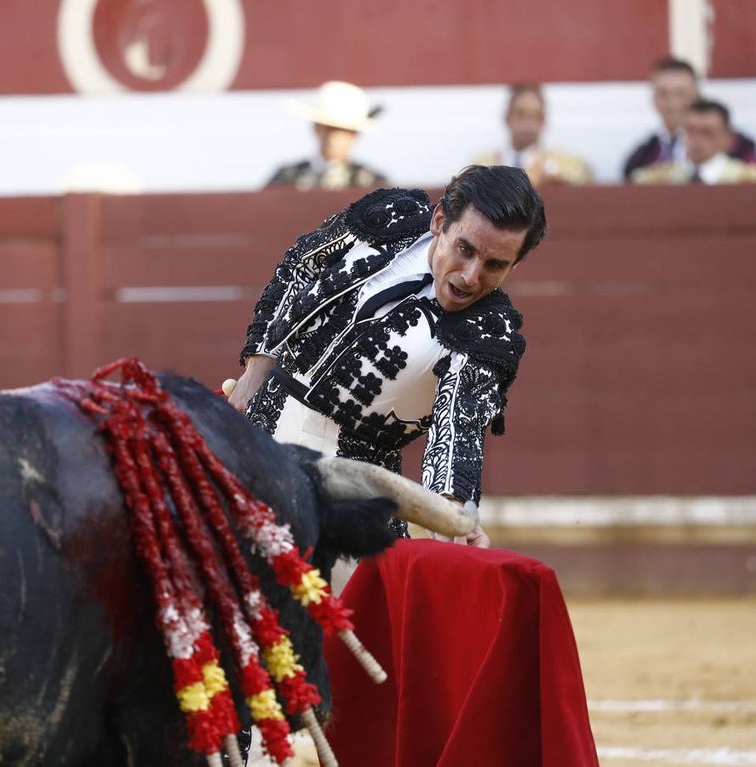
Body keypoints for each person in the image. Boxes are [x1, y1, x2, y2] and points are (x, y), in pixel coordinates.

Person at [230, 166, 599, 766]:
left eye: (496, 266)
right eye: (465, 250)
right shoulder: (390, 215)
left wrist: (454, 518)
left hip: (350, 491)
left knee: (351, 676)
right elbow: (303, 264)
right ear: (439, 223)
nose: (471, 276)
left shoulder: (492, 330)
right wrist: (255, 370)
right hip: (255, 443)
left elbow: (456, 429)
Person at [622, 56, 756, 182]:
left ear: (697, 94)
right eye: (663, 94)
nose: (672, 104)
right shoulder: (643, 156)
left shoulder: (738, 146)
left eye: (680, 93)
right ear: (653, 99)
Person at [265, 81, 390, 191]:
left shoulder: (373, 183)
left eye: (342, 131)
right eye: (329, 129)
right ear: (316, 128)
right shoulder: (288, 178)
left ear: (354, 136)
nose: (333, 139)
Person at [472, 83, 593, 187]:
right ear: (507, 118)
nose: (528, 124)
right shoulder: (481, 166)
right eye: (520, 114)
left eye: (536, 116)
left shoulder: (569, 166)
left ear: (543, 122)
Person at [632, 98, 756, 184]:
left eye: (707, 133)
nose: (698, 139)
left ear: (728, 138)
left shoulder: (749, 181)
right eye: (691, 131)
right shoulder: (656, 180)